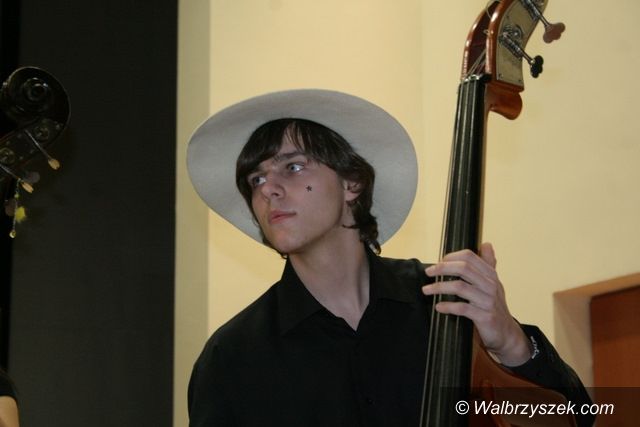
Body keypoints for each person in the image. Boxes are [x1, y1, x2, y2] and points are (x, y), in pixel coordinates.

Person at [186, 89, 593, 426]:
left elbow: (578, 417)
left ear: (352, 183)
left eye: (292, 167)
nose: (267, 190)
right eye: (256, 178)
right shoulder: (231, 358)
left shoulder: (447, 300)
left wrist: (511, 343)